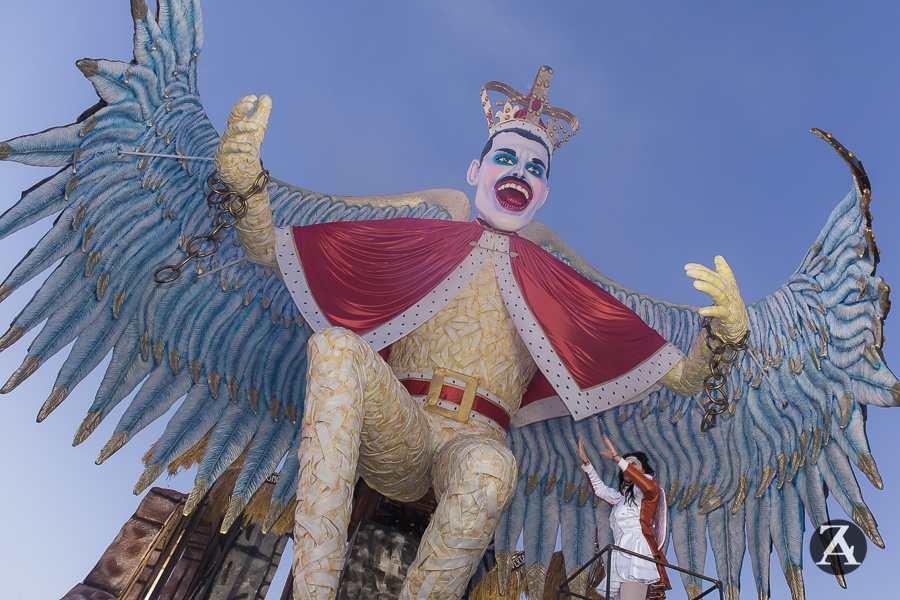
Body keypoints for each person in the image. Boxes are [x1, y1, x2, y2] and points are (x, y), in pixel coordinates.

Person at [214, 66, 749, 600]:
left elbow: (680, 377)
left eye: (535, 168)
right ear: (476, 170)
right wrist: (245, 184)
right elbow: (268, 248)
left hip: (476, 445)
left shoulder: (561, 286)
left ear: (542, 195)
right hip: (399, 428)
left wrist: (720, 338)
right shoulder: (415, 240)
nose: (520, 172)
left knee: (491, 469)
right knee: (334, 347)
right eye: (507, 158)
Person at [576, 434, 671, 600]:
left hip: (636, 551)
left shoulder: (648, 487)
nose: (629, 466)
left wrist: (618, 458)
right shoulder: (622, 498)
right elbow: (600, 490)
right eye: (628, 463)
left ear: (643, 470)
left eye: (635, 463)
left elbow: (646, 486)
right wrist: (586, 463)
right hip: (621, 552)